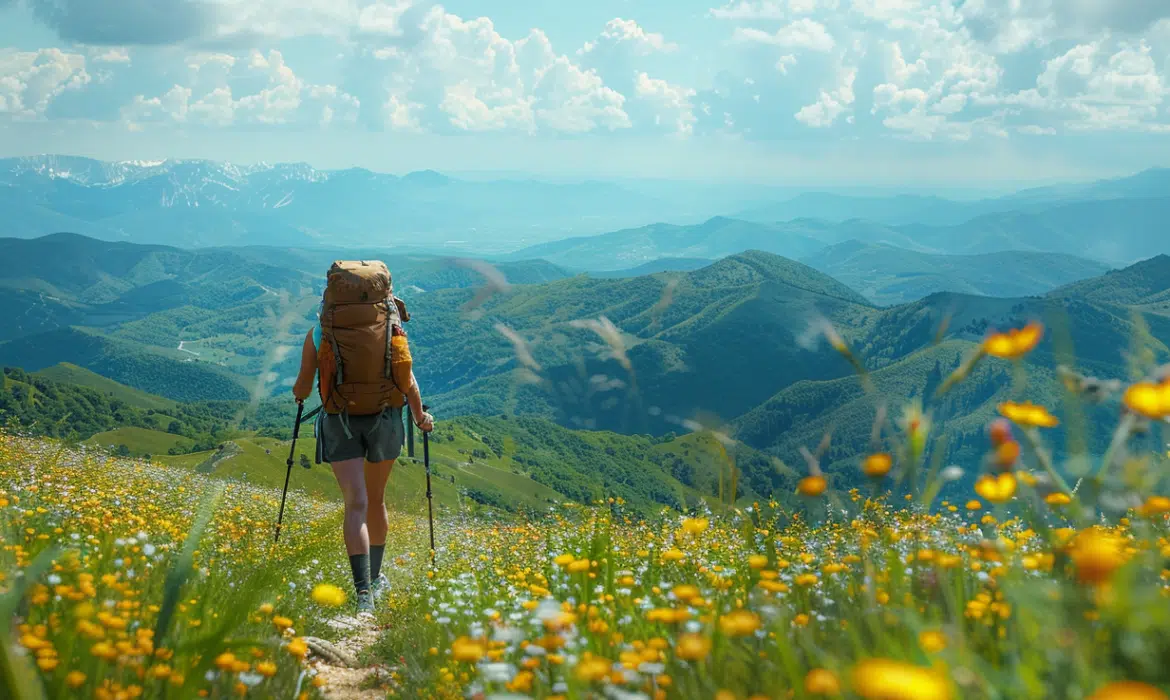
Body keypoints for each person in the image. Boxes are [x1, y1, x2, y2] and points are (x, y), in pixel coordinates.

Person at [292, 262, 433, 615]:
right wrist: (420, 417)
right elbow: (407, 379)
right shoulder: (391, 326)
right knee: (376, 501)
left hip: (339, 420)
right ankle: (377, 579)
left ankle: (362, 594)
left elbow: (303, 387)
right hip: (385, 417)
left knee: (354, 503)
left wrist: (301, 396)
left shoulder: (320, 332)